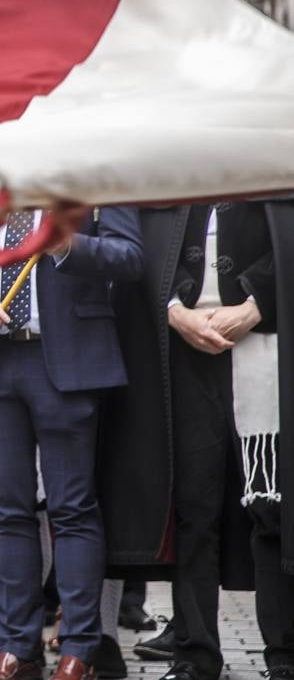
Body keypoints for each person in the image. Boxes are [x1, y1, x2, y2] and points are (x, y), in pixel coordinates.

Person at [0, 208, 143, 680]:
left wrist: (68, 246)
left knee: (73, 508)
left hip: (68, 362)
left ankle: (80, 648)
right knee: (7, 510)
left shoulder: (93, 179)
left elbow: (130, 258)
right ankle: (15, 647)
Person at [102, 205, 255, 680]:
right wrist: (173, 309)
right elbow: (141, 255)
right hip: (182, 348)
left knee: (274, 503)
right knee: (195, 504)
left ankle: (282, 650)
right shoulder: (163, 173)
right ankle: (195, 652)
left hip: (265, 340)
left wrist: (257, 303)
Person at [214, 199, 294, 679]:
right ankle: (281, 648)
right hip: (250, 348)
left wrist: (257, 298)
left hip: (270, 314)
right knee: (269, 504)